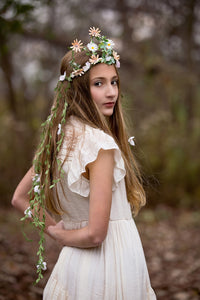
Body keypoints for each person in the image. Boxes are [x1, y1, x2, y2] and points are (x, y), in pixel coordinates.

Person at [12, 27, 156, 299]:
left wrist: (56, 230)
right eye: (98, 83)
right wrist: (60, 235)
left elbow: (20, 198)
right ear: (79, 89)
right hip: (111, 263)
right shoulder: (99, 145)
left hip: (75, 264)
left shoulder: (58, 138)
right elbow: (96, 235)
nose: (111, 92)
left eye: (114, 82)